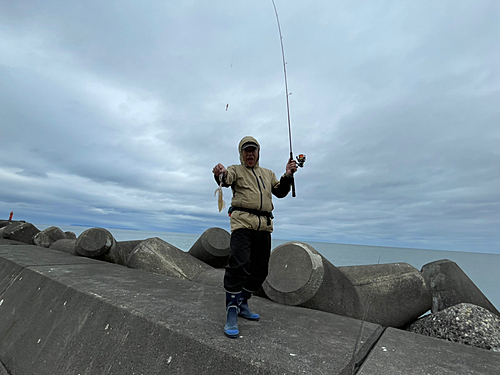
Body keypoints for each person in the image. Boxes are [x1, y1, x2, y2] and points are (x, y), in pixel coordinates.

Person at [212, 135, 297, 338]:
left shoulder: (267, 174)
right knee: (239, 265)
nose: (250, 154)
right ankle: (231, 310)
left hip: (264, 227)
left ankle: (242, 302)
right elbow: (225, 178)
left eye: (253, 150)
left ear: (258, 152)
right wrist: (220, 174)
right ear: (241, 154)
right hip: (242, 224)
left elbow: (281, 192)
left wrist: (287, 175)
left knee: (260, 271)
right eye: (246, 150)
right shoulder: (236, 170)